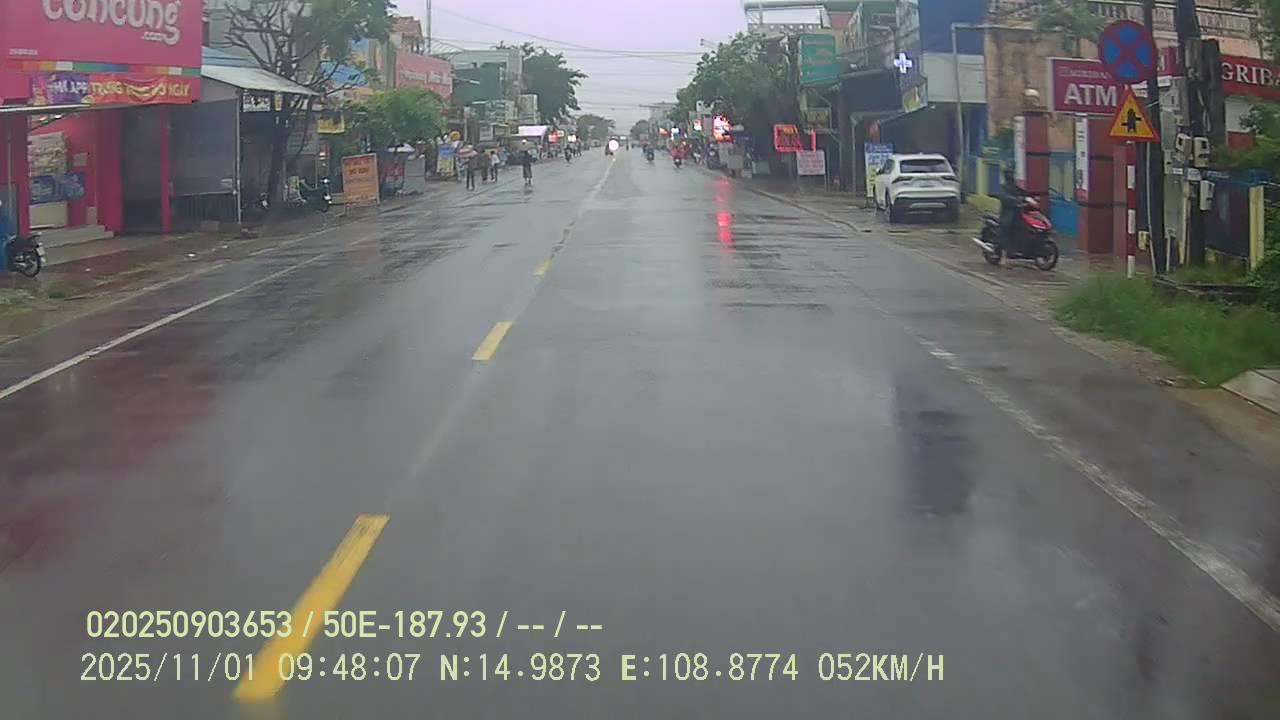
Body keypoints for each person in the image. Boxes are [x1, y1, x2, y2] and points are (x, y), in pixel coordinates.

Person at [999, 167, 1027, 254]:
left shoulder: (1014, 186)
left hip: (1017, 211)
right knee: (1008, 226)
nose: (1011, 175)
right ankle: (1005, 251)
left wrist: (1029, 196)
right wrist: (1014, 200)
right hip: (1008, 213)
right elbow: (1004, 197)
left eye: (1011, 173)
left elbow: (1022, 192)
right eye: (1009, 173)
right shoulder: (1004, 186)